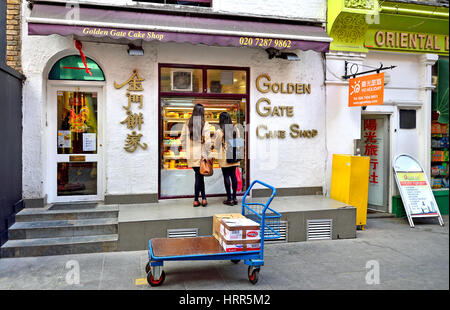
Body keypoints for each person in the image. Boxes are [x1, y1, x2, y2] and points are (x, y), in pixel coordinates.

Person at [180, 104, 211, 207]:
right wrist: (207, 152)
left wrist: (186, 148)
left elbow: (182, 139)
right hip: (201, 154)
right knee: (199, 177)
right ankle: (200, 199)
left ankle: (199, 199)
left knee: (198, 176)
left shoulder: (187, 123)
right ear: (202, 113)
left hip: (192, 154)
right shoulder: (204, 124)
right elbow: (207, 142)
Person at [214, 112, 241, 206]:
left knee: (226, 176)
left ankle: (229, 199)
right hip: (233, 155)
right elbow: (238, 143)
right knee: (233, 176)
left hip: (225, 156)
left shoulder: (220, 131)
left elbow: (216, 145)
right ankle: (235, 198)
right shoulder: (235, 129)